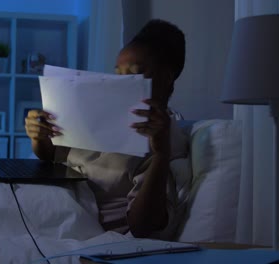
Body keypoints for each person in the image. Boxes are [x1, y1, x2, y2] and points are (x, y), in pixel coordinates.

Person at [25, 19, 188, 239]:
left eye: (133, 74)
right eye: (117, 73)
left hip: (75, 220)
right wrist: (39, 135)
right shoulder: (105, 111)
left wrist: (161, 154)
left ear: (167, 77)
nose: (120, 83)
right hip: (49, 197)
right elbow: (52, 155)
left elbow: (145, 226)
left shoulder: (163, 137)